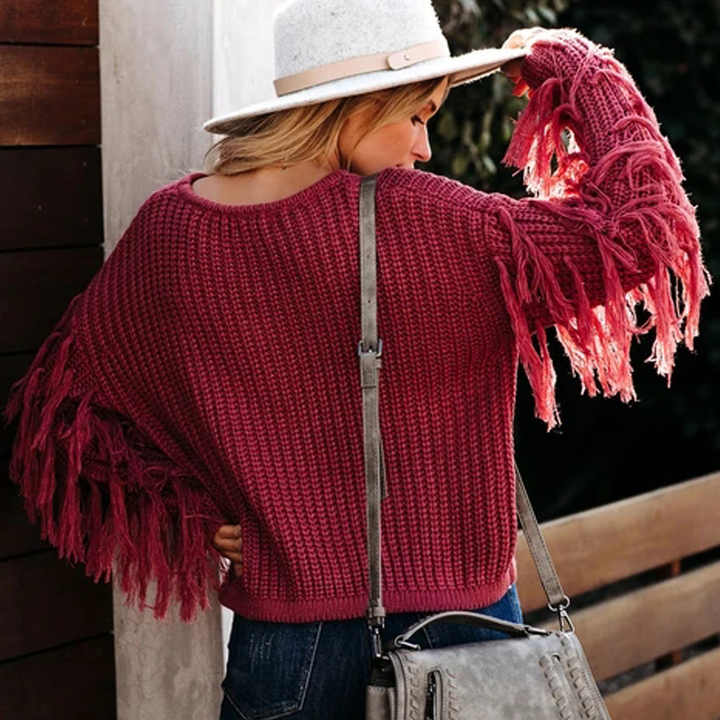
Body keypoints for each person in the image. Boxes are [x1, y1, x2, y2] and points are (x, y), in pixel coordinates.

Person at [2, 1, 710, 719]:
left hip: (287, 651)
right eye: (418, 116)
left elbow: (62, 408)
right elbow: (640, 225)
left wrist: (192, 510)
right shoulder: (438, 220)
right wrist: (575, 65)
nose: (425, 148)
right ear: (359, 106)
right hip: (464, 637)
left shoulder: (171, 233)